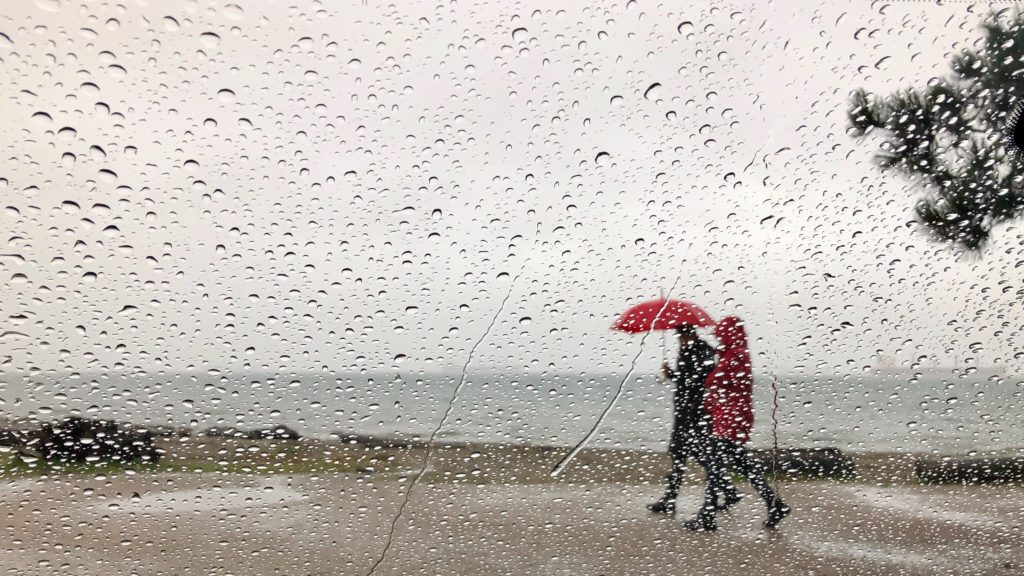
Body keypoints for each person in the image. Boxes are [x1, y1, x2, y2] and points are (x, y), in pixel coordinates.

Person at [692, 316, 790, 531]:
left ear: (730, 333)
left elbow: (715, 380)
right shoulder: (730, 353)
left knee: (716, 464)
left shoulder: (736, 354)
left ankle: (707, 516)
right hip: (727, 415)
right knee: (741, 464)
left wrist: (710, 373)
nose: (718, 336)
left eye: (721, 333)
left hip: (733, 417)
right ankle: (775, 504)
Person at [647, 324, 735, 525]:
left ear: (690, 333)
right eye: (679, 336)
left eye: (682, 335)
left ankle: (726, 490)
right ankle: (671, 498)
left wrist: (677, 376)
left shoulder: (704, 350)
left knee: (700, 451)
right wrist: (671, 375)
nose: (680, 339)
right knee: (679, 451)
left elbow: (701, 379)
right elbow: (685, 380)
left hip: (698, 410)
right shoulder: (686, 350)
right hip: (684, 410)